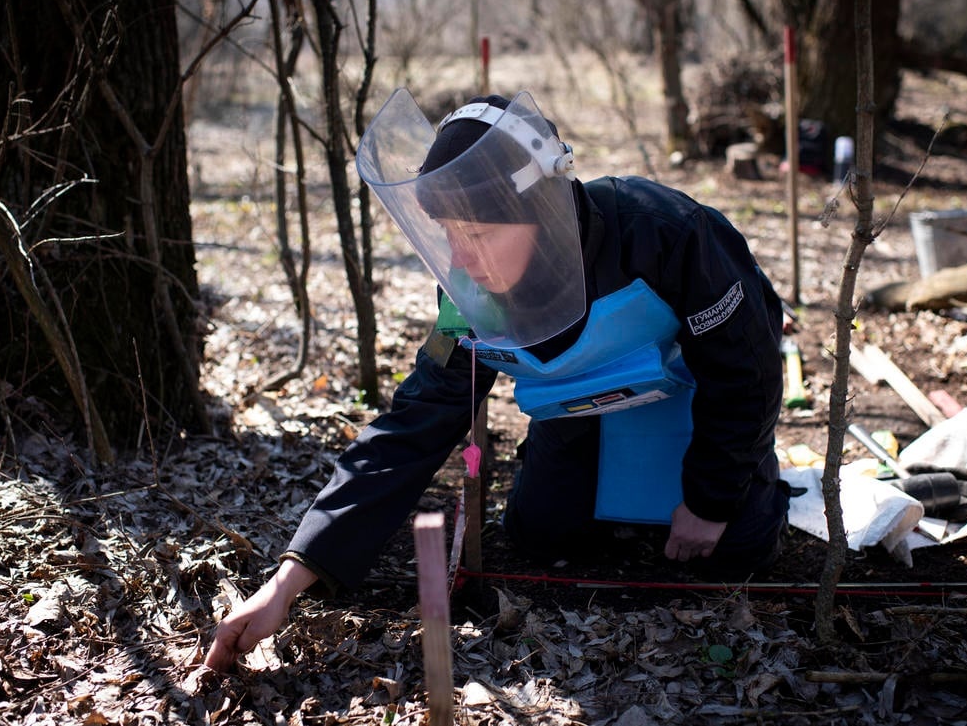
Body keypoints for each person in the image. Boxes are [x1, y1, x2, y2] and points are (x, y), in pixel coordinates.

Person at [205, 89, 788, 672]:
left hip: (694, 405)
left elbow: (747, 371)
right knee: (538, 533)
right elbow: (415, 422)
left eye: (479, 234)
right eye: (448, 233)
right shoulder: (469, 293)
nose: (462, 259)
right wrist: (289, 580)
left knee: (737, 550)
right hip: (579, 410)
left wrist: (711, 498)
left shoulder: (667, 232)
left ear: (546, 212)